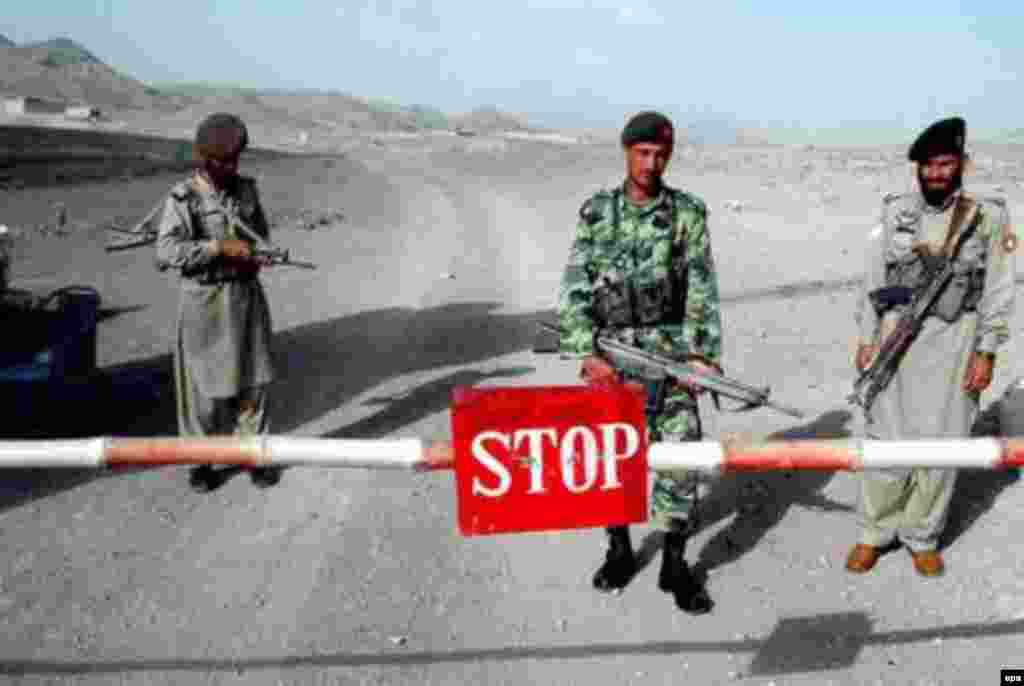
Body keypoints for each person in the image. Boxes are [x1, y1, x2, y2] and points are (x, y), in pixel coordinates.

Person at [557, 111, 723, 614]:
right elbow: (575, 284)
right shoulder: (597, 212)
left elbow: (702, 286)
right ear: (627, 151)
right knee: (611, 460)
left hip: (669, 357)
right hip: (612, 359)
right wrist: (585, 352)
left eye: (660, 155)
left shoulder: (687, 214)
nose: (651, 163)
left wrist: (701, 357)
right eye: (643, 153)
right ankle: (619, 549)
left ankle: (675, 562)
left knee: (679, 458)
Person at [849, 116, 1016, 576]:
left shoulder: (989, 217)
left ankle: (922, 534)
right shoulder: (895, 212)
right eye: (929, 166)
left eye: (947, 164)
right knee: (886, 439)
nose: (938, 174)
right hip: (896, 344)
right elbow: (873, 279)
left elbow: (999, 289)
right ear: (917, 168)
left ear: (962, 164)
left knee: (944, 443)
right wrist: (866, 338)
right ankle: (874, 532)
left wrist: (986, 351)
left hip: (955, 343)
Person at [155, 113, 282, 492]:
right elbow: (166, 251)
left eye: (235, 160)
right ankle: (202, 462)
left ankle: (254, 456)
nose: (230, 167)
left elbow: (259, 236)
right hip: (204, 303)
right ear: (204, 160)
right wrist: (217, 247)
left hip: (244, 298)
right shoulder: (184, 197)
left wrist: (259, 254)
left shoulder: (247, 190)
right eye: (222, 161)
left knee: (253, 382)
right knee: (204, 393)